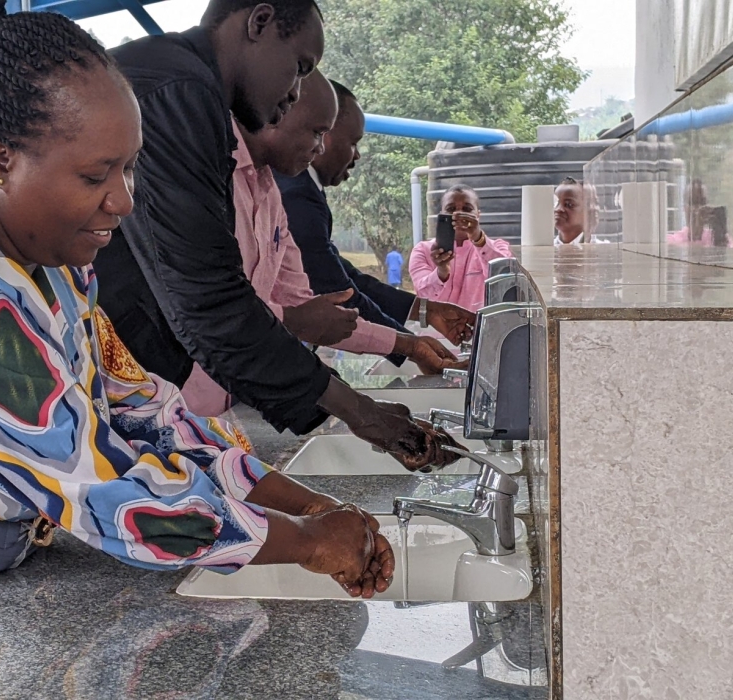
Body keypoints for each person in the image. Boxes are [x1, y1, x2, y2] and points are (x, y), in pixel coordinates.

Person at [0, 0, 395, 691]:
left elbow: (146, 412)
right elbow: (107, 487)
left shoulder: (47, 261)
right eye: (96, 176)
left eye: (130, 170)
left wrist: (310, 507)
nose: (125, 201)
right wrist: (306, 544)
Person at [91, 0, 455, 471]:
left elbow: (250, 299)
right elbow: (209, 298)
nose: (295, 92)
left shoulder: (210, 118)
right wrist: (362, 414)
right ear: (259, 23)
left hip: (171, 403)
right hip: (121, 398)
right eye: (299, 68)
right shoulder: (178, 93)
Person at [180, 71, 460, 414]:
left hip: (233, 399)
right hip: (182, 400)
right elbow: (219, 306)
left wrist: (409, 345)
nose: (321, 146)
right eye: (317, 132)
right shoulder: (212, 182)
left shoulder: (272, 195)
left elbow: (311, 304)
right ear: (278, 113)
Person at [277, 80, 478, 340]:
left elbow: (343, 273)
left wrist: (425, 312)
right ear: (324, 132)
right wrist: (408, 346)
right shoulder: (296, 194)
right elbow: (336, 288)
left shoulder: (307, 190)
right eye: (353, 143)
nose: (357, 155)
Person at [409, 184, 513, 311]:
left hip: (479, 328)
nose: (458, 214)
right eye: (451, 209)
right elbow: (423, 296)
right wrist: (441, 272)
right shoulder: (423, 251)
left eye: (467, 209)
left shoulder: (498, 247)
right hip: (434, 331)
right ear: (442, 214)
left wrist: (479, 240)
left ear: (478, 215)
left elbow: (507, 280)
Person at [553, 176, 598, 247]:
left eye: (568, 204)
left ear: (587, 211)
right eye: (555, 203)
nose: (558, 209)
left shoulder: (601, 248)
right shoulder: (544, 249)